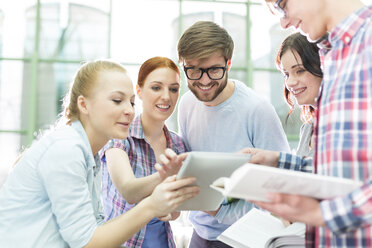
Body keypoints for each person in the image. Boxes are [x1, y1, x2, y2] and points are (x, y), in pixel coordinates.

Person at [0, 60, 199, 248]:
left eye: (131, 102)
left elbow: (97, 228)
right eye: (117, 100)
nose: (129, 111)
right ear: (84, 105)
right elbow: (87, 243)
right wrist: (152, 205)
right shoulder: (66, 150)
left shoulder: (89, 155)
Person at [245, 0, 372, 247]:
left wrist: (321, 215)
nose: (284, 22)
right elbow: (340, 176)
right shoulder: (334, 57)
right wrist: (276, 162)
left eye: (282, 6)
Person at [177, 20, 291, 248]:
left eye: (214, 70)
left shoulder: (257, 109)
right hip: (200, 233)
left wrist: (219, 210)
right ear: (183, 65)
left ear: (228, 64)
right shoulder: (186, 104)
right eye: (194, 70)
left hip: (245, 237)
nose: (205, 80)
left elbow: (281, 183)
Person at [100, 56, 187, 248]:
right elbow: (128, 191)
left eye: (173, 89)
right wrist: (164, 176)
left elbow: (176, 210)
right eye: (156, 87)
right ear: (139, 91)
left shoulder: (178, 145)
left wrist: (171, 212)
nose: (166, 96)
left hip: (161, 242)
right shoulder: (120, 135)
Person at [278, 32, 323, 158]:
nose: (290, 83)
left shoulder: (341, 124)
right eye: (286, 74)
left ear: (322, 67)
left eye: (300, 71)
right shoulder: (307, 128)